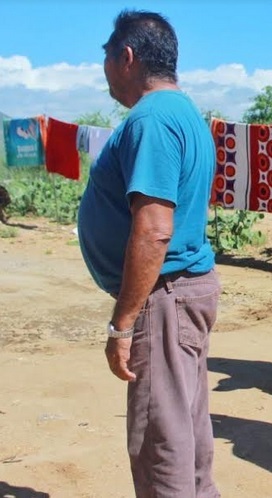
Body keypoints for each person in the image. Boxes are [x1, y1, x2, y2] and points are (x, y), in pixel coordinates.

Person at [77, 10, 220, 497]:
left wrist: (123, 324)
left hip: (165, 297)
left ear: (127, 57)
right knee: (185, 430)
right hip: (180, 293)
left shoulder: (152, 120)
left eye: (106, 58)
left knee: (160, 440)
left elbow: (155, 229)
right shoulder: (183, 114)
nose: (105, 71)